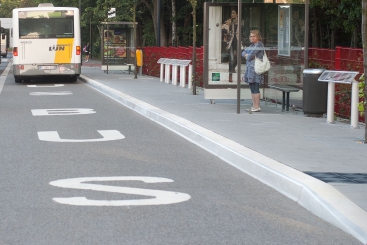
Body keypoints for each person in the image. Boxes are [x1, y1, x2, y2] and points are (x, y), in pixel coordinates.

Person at [242, 30, 265, 112]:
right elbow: (243, 52)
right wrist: (246, 54)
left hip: (256, 70)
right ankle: (253, 106)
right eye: (251, 36)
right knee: (252, 87)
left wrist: (247, 55)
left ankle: (257, 106)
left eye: (253, 36)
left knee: (255, 87)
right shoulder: (252, 45)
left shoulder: (259, 45)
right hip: (250, 70)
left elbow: (250, 55)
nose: (251, 38)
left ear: (258, 37)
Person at [222, 9, 239, 83]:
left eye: (233, 13)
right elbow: (225, 31)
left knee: (239, 57)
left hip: (238, 41)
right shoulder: (229, 22)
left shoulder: (241, 22)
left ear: (237, 14)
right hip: (231, 41)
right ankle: (230, 75)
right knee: (231, 58)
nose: (232, 15)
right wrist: (226, 27)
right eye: (231, 13)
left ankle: (233, 67)